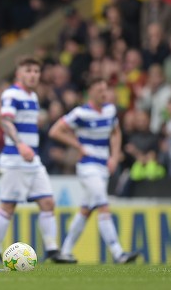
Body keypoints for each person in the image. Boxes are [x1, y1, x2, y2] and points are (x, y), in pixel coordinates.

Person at [0, 57, 76, 264]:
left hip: (32, 159)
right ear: (19, 73)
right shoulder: (12, 94)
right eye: (28, 70)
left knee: (47, 201)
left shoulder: (33, 96)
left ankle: (53, 251)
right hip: (15, 158)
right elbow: (6, 121)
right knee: (8, 206)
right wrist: (19, 144)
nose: (33, 75)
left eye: (36, 71)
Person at [48, 77, 140, 264]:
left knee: (86, 210)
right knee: (103, 204)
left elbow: (116, 132)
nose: (103, 94)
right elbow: (55, 131)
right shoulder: (81, 113)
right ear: (90, 92)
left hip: (103, 166)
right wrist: (78, 145)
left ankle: (65, 251)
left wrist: (114, 156)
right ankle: (118, 253)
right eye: (99, 90)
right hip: (87, 166)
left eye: (105, 90)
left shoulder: (110, 110)